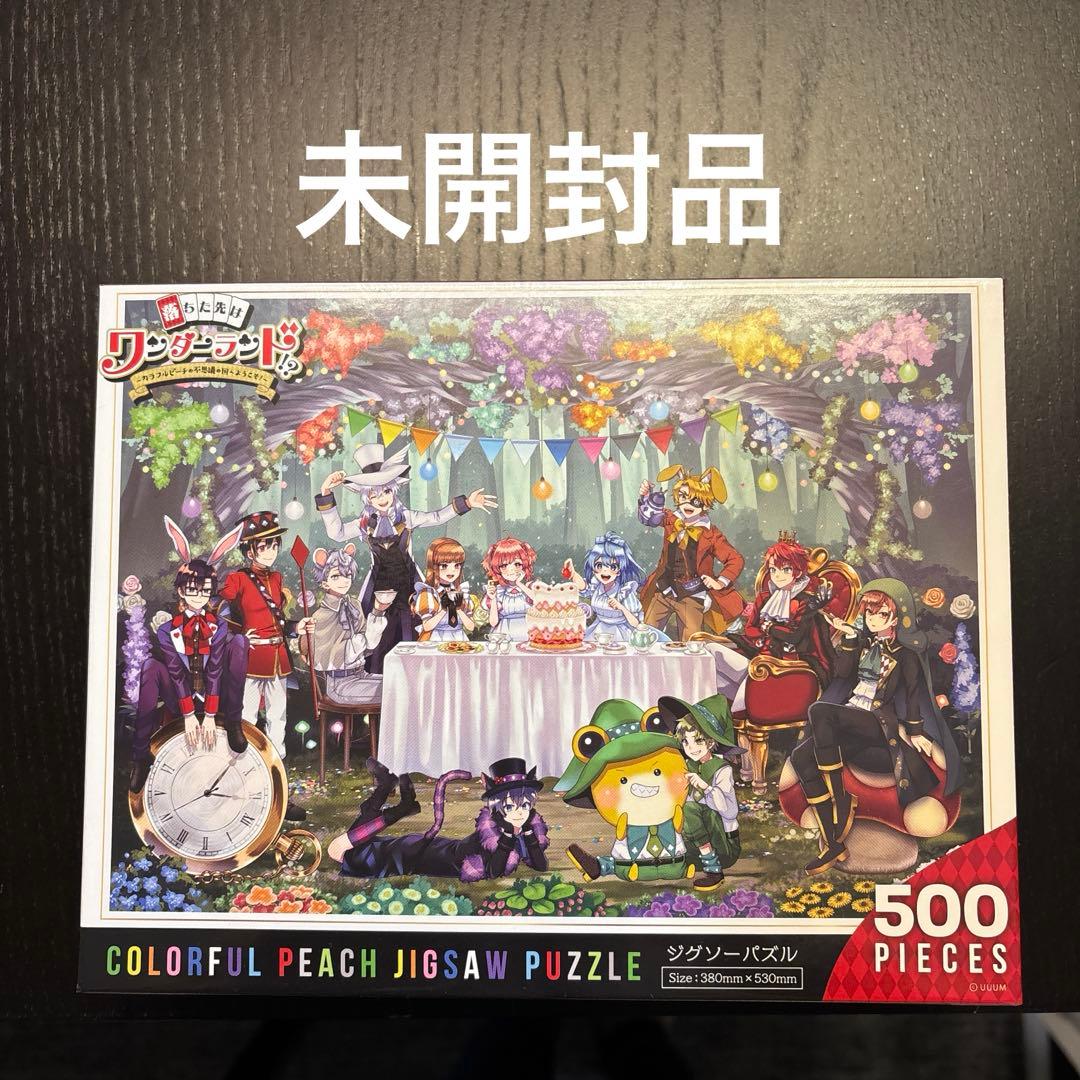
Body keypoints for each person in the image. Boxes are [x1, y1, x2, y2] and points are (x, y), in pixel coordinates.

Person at [789, 577, 965, 876]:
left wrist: (915, 730)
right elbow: (842, 676)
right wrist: (849, 640)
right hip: (850, 719)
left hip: (877, 722)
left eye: (881, 613)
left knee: (819, 711)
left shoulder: (906, 655)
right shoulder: (861, 643)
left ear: (896, 618)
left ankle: (840, 799)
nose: (872, 619)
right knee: (801, 758)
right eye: (869, 612)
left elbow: (913, 694)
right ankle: (833, 843)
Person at [315, 442, 497, 672]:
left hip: (408, 583)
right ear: (367, 497)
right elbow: (337, 533)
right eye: (374, 494)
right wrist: (326, 493)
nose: (382, 498)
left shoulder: (406, 517)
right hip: (378, 584)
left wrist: (467, 503)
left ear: (394, 490)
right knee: (378, 635)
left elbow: (436, 517)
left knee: (412, 630)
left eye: (386, 491)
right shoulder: (364, 523)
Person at [128, 516, 247, 793]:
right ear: (182, 590)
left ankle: (234, 722)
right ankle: (141, 756)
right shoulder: (167, 630)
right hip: (181, 695)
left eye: (204, 591)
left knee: (240, 643)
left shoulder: (218, 627)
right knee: (150, 667)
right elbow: (175, 671)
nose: (198, 596)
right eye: (193, 590)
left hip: (213, 695)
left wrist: (210, 714)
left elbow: (215, 669)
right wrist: (189, 714)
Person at [218, 510, 313, 822]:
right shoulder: (237, 579)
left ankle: (277, 791)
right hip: (250, 659)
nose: (271, 551)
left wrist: (298, 627)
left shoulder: (276, 579)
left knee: (277, 722)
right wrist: (237, 637)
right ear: (249, 551)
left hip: (277, 659)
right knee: (245, 721)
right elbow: (218, 608)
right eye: (263, 546)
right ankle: (241, 789)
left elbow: (278, 621)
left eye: (274, 545)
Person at [329, 758, 549, 882]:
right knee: (341, 850)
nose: (519, 813)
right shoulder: (490, 833)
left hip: (420, 851)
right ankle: (397, 801)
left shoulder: (522, 828)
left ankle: (394, 797)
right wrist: (510, 836)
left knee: (341, 850)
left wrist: (529, 835)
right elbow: (494, 870)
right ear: (498, 807)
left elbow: (541, 866)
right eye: (510, 806)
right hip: (413, 855)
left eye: (525, 805)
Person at [557, 698, 693, 884]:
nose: (643, 784)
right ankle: (605, 867)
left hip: (673, 852)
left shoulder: (677, 805)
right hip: (632, 862)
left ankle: (678, 867)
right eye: (623, 780)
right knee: (628, 852)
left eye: (656, 772)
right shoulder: (627, 821)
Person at [710, 533, 835, 715]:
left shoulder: (805, 602)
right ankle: (724, 712)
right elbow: (750, 629)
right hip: (758, 658)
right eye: (773, 570)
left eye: (785, 570)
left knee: (748, 685)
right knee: (711, 651)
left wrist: (769, 628)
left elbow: (794, 636)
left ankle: (735, 715)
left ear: (798, 571)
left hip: (785, 666)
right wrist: (766, 634)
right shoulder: (765, 597)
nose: (778, 576)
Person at [637, 465, 745, 641]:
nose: (688, 504)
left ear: (705, 503)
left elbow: (735, 559)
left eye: (696, 501)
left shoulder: (711, 534)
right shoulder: (672, 519)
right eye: (683, 497)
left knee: (692, 643)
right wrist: (645, 497)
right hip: (663, 589)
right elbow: (649, 518)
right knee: (647, 636)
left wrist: (720, 582)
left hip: (692, 595)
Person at [657, 694, 746, 892]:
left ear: (711, 741)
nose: (692, 748)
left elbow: (730, 812)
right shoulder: (685, 766)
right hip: (691, 844)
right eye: (686, 742)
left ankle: (714, 871)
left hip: (723, 846)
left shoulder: (722, 769)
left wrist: (706, 788)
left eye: (698, 740)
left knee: (690, 808)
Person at [307, 544, 390, 705]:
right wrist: (357, 643)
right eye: (336, 576)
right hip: (339, 685)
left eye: (348, 575)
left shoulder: (354, 605)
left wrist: (378, 612)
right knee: (395, 691)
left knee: (400, 682)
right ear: (324, 583)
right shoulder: (321, 616)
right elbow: (325, 658)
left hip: (361, 675)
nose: (344, 581)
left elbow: (369, 645)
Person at [563, 532, 668, 643]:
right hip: (598, 631)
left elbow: (636, 623)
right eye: (599, 565)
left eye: (612, 567)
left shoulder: (624, 591)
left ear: (619, 571)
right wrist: (573, 574)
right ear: (593, 568)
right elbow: (584, 588)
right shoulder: (597, 586)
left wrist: (621, 607)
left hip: (620, 634)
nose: (605, 570)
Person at [412, 537, 479, 642]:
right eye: (444, 566)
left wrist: (459, 609)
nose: (451, 570)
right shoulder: (428, 593)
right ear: (434, 567)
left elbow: (470, 627)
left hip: (459, 639)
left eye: (457, 565)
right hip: (436, 640)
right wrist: (443, 610)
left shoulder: (462, 591)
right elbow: (427, 627)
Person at [481, 536, 538, 641]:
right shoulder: (498, 591)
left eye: (517, 564)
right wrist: (493, 599)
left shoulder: (529, 588)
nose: (511, 570)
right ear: (497, 569)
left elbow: (540, 602)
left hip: (528, 631)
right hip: (503, 632)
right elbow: (493, 622)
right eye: (504, 566)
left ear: (524, 565)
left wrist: (519, 583)